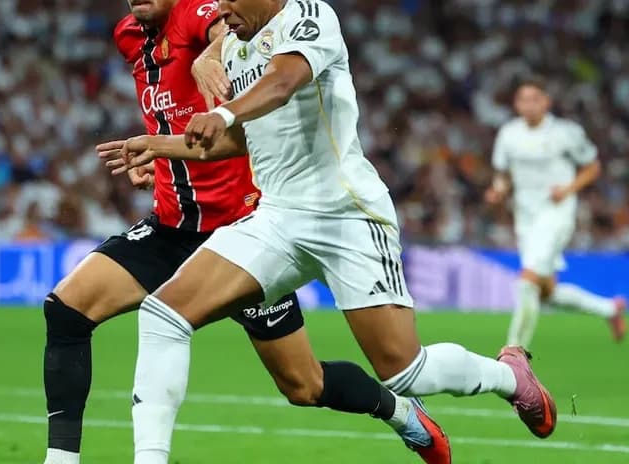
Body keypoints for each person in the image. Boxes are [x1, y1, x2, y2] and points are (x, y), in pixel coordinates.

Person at [102, 1, 557, 462]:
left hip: (347, 215)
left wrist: (221, 113)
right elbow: (241, 138)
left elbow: (281, 84)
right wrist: (159, 146)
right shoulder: (236, 50)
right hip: (277, 217)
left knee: (405, 373)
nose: (218, 9)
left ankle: (510, 376)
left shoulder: (310, 16)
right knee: (163, 313)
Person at [42, 1, 404, 463]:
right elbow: (169, 109)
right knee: (66, 310)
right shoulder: (129, 36)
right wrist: (155, 153)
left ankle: (400, 412)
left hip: (241, 235)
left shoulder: (200, 12)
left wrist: (209, 55)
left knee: (304, 385)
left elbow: (229, 35)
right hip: (170, 228)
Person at [484, 78, 627, 349]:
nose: (528, 105)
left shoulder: (565, 132)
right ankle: (610, 309)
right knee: (545, 291)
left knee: (527, 281)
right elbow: (503, 174)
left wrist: (569, 188)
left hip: (557, 213)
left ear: (545, 102)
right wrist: (498, 190)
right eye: (522, 100)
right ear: (516, 104)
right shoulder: (509, 134)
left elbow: (592, 167)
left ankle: (515, 355)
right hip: (525, 216)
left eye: (534, 99)